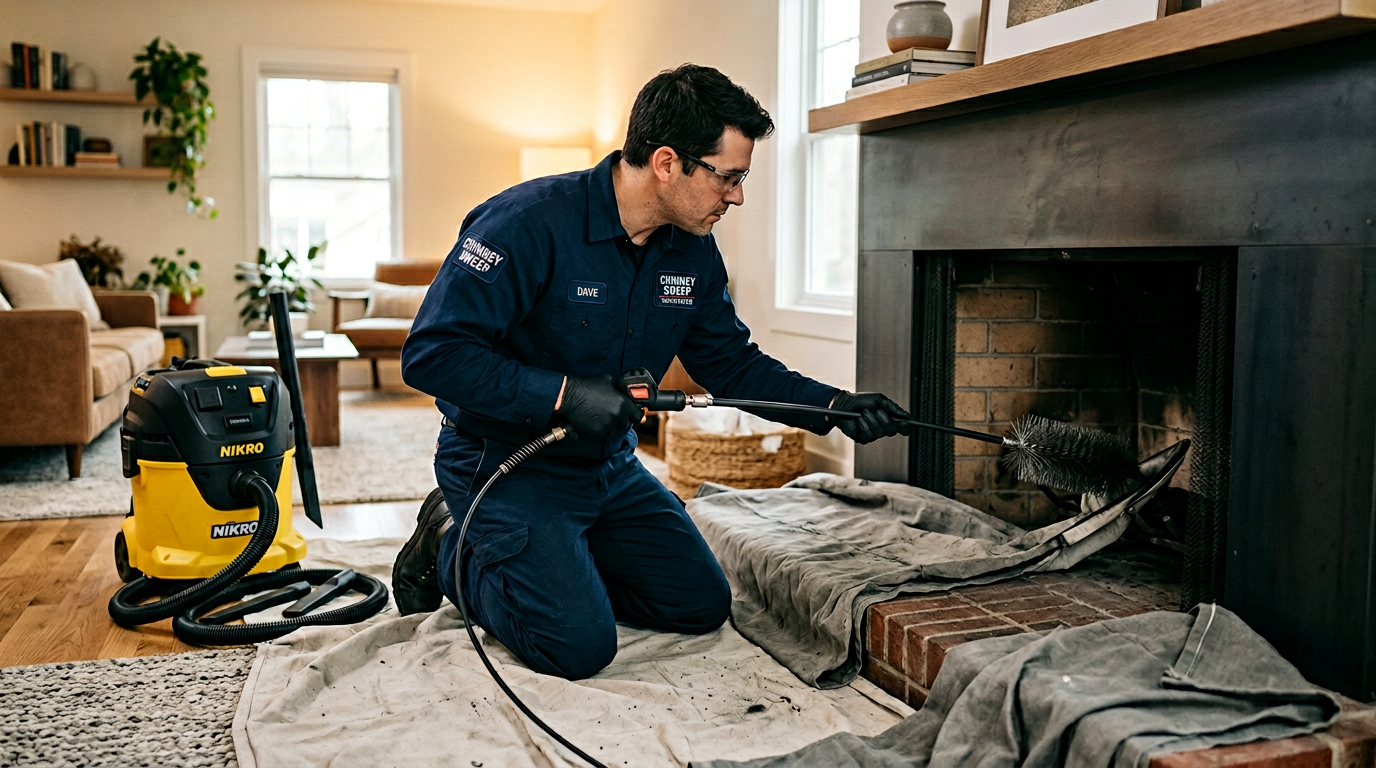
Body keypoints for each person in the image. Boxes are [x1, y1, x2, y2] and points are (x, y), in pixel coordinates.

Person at [395, 64, 913, 680]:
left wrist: (833, 406)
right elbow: (431, 354)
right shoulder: (525, 223)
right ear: (667, 162)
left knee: (698, 604)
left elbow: (731, 364)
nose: (737, 196)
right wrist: (562, 394)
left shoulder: (691, 246)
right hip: (508, 462)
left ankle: (558, 561)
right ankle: (450, 538)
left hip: (608, 466)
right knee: (576, 647)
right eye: (729, 177)